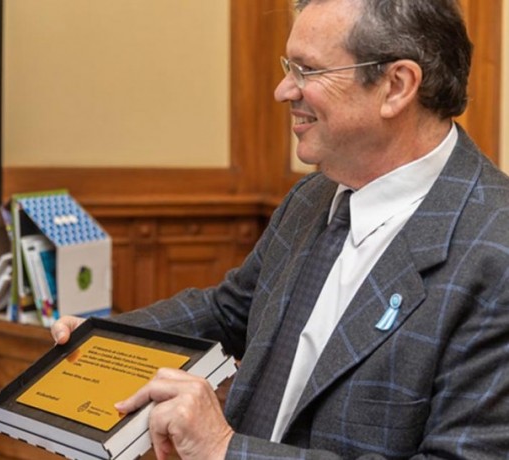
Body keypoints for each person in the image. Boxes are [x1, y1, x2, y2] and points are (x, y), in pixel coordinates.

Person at [53, 0, 509, 458]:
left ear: (396, 86)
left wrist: (226, 451)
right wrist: (103, 340)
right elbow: (231, 312)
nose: (283, 90)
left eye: (308, 71)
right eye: (289, 66)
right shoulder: (313, 197)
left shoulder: (495, 252)